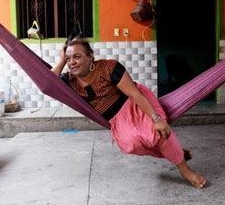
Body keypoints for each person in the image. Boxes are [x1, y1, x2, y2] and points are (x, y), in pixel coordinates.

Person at [52, 36, 207, 189]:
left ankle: (186, 171)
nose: (72, 62)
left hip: (135, 104)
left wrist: (156, 118)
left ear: (90, 56)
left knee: (158, 133)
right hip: (116, 119)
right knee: (131, 145)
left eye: (77, 57)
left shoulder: (109, 68)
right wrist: (61, 61)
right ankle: (177, 153)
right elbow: (48, 84)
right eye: (68, 59)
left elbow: (135, 94)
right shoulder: (69, 81)